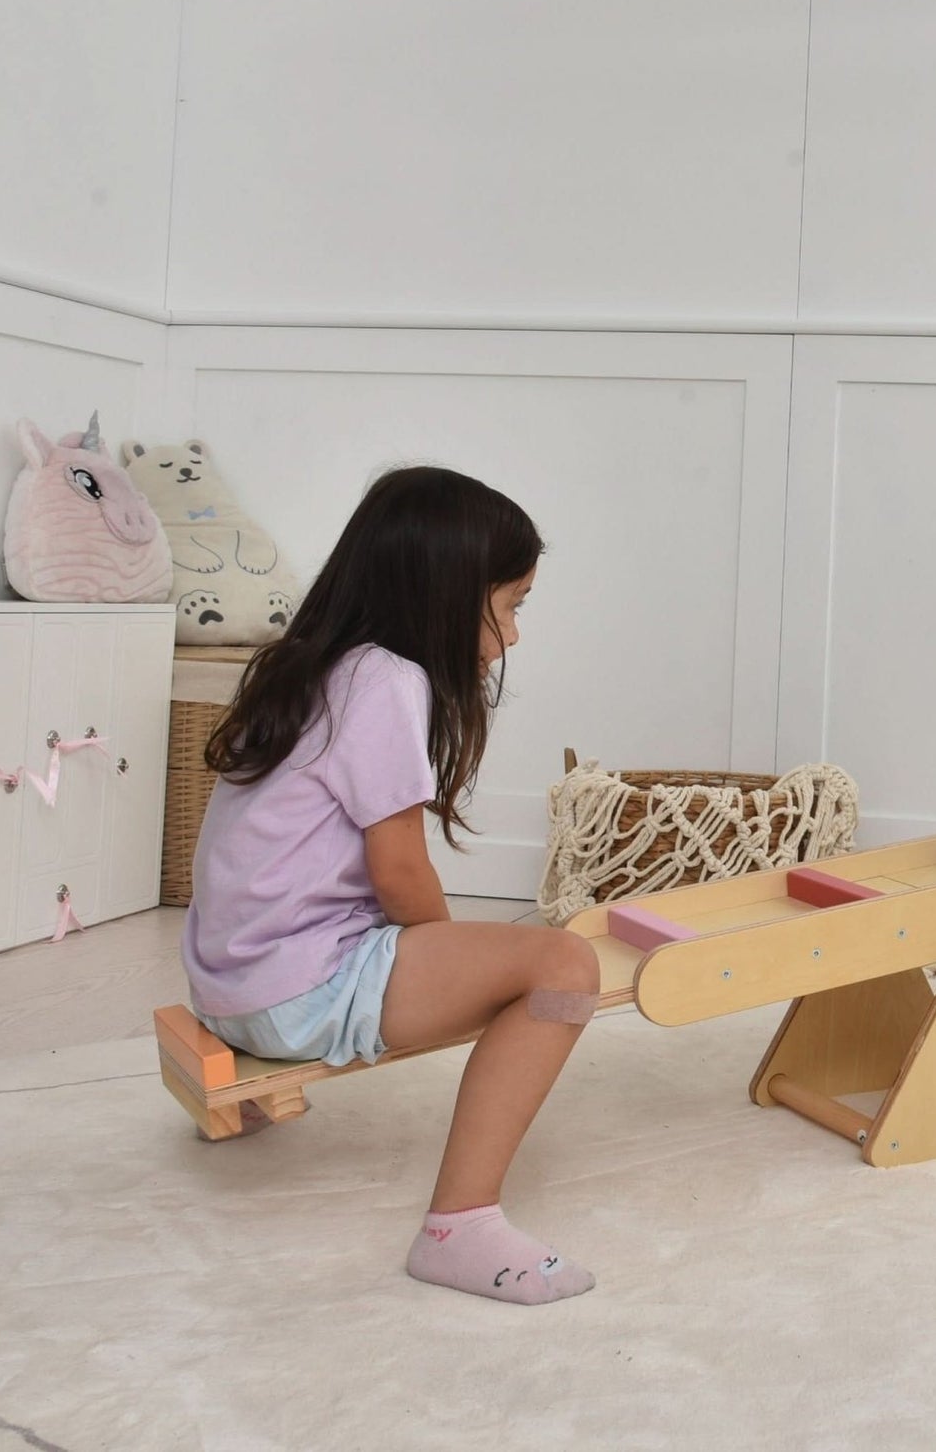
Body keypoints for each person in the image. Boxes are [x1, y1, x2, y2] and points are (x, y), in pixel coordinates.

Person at [183, 466, 602, 1303]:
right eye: (511, 604)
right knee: (564, 968)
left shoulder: (311, 663)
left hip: (225, 984)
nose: (514, 634)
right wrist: (453, 956)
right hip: (293, 990)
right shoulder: (386, 679)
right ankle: (461, 1226)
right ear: (446, 593)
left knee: (522, 951)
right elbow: (401, 870)